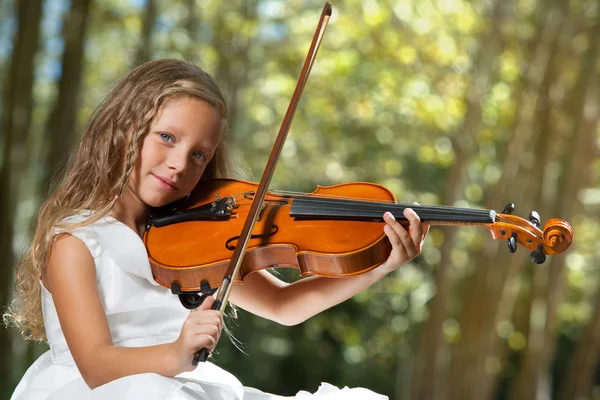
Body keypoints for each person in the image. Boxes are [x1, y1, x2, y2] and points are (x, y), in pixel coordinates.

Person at [5, 59, 429, 400]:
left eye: (199, 155)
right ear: (122, 132)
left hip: (183, 387)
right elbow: (96, 366)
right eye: (167, 137)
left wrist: (378, 266)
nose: (179, 163)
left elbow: (284, 307)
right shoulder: (77, 242)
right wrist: (176, 353)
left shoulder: (194, 241)